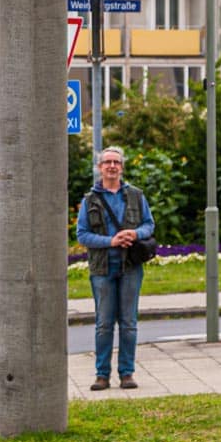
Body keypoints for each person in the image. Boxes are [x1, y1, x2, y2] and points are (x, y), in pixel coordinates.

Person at [76, 146, 156, 390]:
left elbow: (149, 225)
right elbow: (82, 235)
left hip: (130, 266)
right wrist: (110, 241)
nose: (112, 166)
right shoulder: (89, 201)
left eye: (116, 162)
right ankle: (102, 375)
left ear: (121, 167)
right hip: (102, 269)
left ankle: (127, 374)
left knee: (129, 323)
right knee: (104, 324)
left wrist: (134, 233)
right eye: (107, 162)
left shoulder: (136, 195)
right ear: (100, 168)